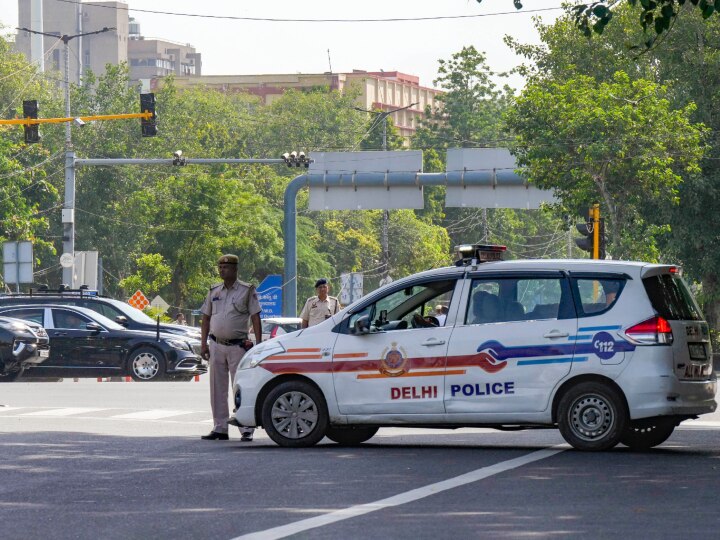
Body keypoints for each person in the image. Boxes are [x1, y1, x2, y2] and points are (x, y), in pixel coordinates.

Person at [199, 254, 262, 442]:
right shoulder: (214, 291)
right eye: (220, 267)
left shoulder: (246, 290)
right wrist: (203, 343)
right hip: (216, 344)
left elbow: (256, 317)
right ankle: (220, 427)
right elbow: (206, 318)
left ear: (235, 269)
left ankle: (246, 428)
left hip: (238, 347)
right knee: (217, 389)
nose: (221, 270)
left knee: (240, 388)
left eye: (225, 267)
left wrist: (258, 346)